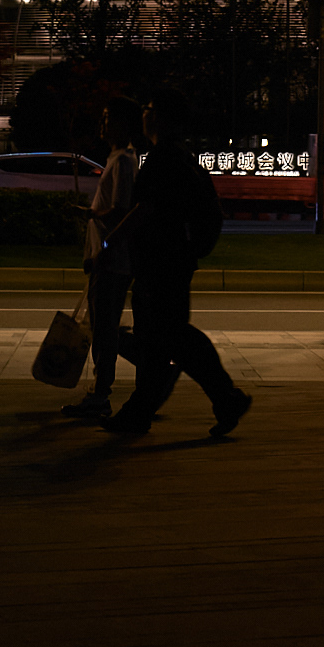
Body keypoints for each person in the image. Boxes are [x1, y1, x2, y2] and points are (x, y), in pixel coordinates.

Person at [97, 88, 251, 441]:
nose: (143, 114)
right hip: (173, 261)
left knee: (168, 337)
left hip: (161, 263)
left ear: (162, 117)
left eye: (148, 109)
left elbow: (145, 210)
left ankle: (216, 400)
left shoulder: (163, 158)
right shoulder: (180, 156)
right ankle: (222, 400)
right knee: (168, 339)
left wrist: (110, 243)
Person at [62, 99, 140, 421]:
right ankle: (153, 364)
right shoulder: (118, 158)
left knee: (103, 330)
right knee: (103, 327)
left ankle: (101, 396)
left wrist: (101, 250)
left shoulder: (123, 160)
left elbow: (122, 211)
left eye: (109, 118)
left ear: (124, 123)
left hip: (110, 259)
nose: (103, 123)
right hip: (108, 256)